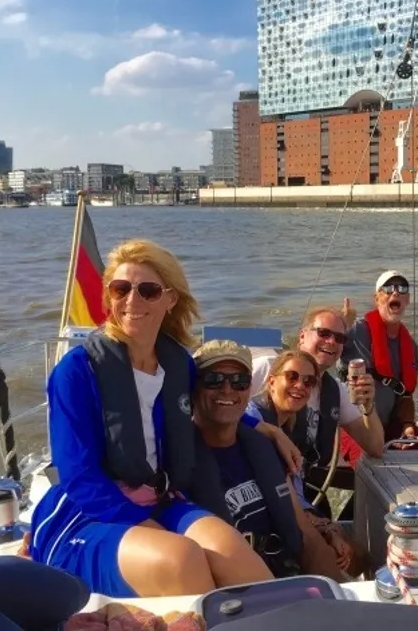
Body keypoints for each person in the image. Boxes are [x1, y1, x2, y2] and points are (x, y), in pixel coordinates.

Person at [28, 239, 273, 597]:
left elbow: (212, 405)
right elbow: (78, 475)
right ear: (109, 296)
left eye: (148, 290)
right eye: (121, 289)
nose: (132, 300)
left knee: (234, 551)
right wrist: (146, 526)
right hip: (87, 516)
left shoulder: (177, 365)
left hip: (161, 500)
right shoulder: (76, 372)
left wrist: (263, 427)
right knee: (180, 559)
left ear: (170, 299)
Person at [189, 340, 349, 581]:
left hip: (289, 576)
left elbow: (307, 537)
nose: (228, 390)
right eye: (214, 380)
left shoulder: (266, 449)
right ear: (193, 388)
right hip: (236, 590)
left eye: (240, 381)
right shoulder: (177, 460)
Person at [252, 349, 367, 577]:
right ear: (271, 382)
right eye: (291, 376)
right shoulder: (254, 417)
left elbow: (295, 491)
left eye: (309, 381)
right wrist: (323, 530)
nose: (300, 386)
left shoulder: (292, 424)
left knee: (359, 556)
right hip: (268, 517)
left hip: (294, 506)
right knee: (332, 555)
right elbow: (232, 416)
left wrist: (326, 526)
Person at [248, 306, 384, 482]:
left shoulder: (336, 391)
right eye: (323, 333)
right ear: (302, 336)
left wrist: (368, 405)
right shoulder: (269, 368)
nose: (331, 341)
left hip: (303, 483)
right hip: (257, 479)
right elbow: (221, 411)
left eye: (340, 338)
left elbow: (375, 448)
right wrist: (272, 431)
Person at [337, 270, 418, 467]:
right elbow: (323, 352)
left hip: (388, 425)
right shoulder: (355, 330)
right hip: (353, 425)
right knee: (370, 467)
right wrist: (342, 324)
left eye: (402, 289)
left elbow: (406, 394)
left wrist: (408, 425)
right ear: (377, 298)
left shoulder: (411, 346)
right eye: (388, 288)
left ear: (407, 300)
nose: (395, 292)